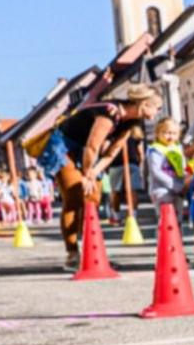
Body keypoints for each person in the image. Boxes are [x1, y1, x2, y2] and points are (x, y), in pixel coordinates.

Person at [50, 83, 158, 272]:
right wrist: (87, 174)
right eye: (157, 107)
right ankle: (72, 254)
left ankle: (92, 252)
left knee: (93, 198)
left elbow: (112, 152)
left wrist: (94, 172)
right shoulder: (110, 112)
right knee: (74, 195)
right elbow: (92, 146)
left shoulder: (132, 121)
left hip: (87, 151)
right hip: (65, 146)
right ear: (144, 104)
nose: (157, 113)